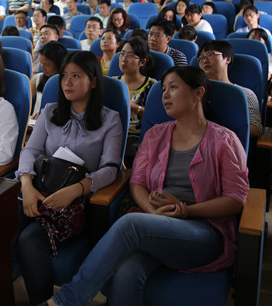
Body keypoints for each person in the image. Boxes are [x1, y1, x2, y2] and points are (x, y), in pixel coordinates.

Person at [49, 66, 249, 306]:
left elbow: (236, 199)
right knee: (127, 273)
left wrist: (186, 211)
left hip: (203, 232)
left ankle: (66, 301)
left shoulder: (224, 140)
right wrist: (153, 215)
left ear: (198, 93)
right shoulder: (155, 135)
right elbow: (137, 183)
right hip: (154, 226)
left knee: (131, 224)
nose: (165, 95)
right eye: (163, 89)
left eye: (173, 88)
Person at [15, 50, 123, 305]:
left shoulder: (110, 119)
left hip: (76, 202)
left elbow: (111, 169)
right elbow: (30, 150)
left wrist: (76, 190)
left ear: (93, 81)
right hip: (39, 188)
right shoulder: (50, 112)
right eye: (64, 75)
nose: (67, 82)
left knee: (29, 238)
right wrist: (26, 184)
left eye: (76, 76)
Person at [197, 41, 263, 140]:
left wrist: (218, 132)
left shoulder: (245, 94)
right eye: (201, 58)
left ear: (227, 59)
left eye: (210, 54)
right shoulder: (196, 93)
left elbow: (255, 128)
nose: (205, 60)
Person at [114, 37, 155, 165]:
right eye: (122, 54)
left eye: (130, 56)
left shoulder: (152, 86)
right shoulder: (113, 83)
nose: (124, 59)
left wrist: (133, 106)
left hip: (137, 136)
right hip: (113, 133)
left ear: (142, 62)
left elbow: (155, 117)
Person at [29, 41, 68, 125]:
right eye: (41, 62)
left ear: (59, 64)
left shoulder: (70, 84)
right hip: (36, 124)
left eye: (47, 64)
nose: (42, 68)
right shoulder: (38, 79)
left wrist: (48, 114)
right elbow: (24, 104)